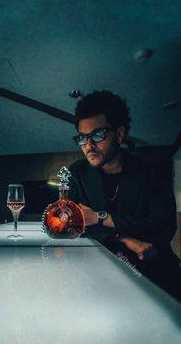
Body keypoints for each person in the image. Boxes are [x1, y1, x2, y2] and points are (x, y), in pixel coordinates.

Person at [69, 90, 180, 300]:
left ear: (119, 134)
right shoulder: (75, 174)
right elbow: (69, 227)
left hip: (157, 275)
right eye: (82, 138)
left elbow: (162, 227)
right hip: (101, 279)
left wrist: (101, 218)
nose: (88, 146)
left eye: (98, 135)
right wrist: (123, 237)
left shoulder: (153, 172)